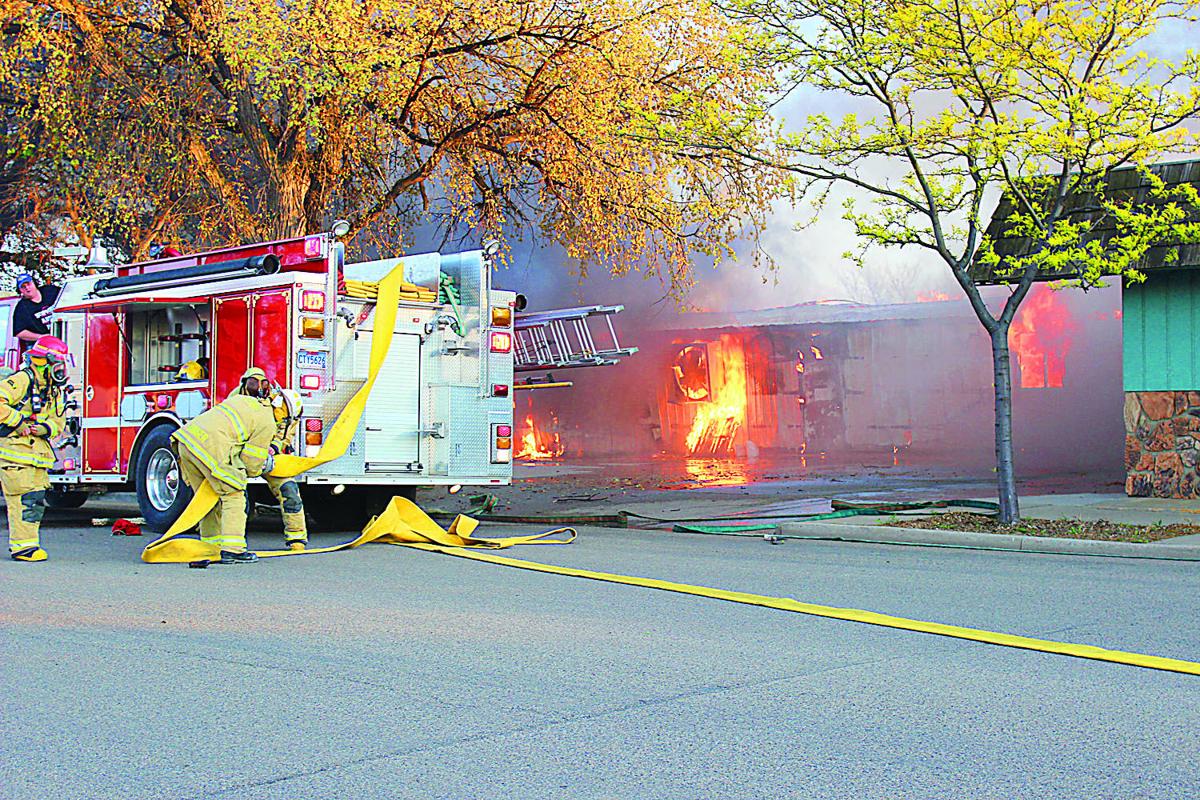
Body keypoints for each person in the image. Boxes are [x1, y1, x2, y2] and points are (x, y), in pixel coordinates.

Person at [171, 377, 276, 564]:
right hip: (210, 447)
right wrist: (263, 466)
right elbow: (251, 463)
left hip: (186, 442)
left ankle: (210, 546)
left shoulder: (241, 400)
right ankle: (233, 550)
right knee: (234, 494)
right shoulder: (268, 420)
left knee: (208, 497)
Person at [1, 336, 69, 561]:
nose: (61, 369)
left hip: (36, 455)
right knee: (23, 500)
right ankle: (23, 548)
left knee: (34, 501)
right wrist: (18, 421)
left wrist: (43, 428)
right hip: (15, 453)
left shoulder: (53, 390)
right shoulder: (21, 380)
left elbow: (58, 422)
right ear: (45, 361)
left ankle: (28, 545)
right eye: (58, 363)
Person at [229, 370, 308, 550]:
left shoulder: (288, 413)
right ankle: (227, 541)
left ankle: (297, 539)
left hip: (267, 456)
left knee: (289, 490)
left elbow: (285, 436)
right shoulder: (241, 400)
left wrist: (273, 448)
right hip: (239, 455)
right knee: (233, 494)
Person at [12, 274, 62, 346]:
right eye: (23, 287)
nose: (27, 288)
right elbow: (19, 332)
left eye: (28, 284)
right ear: (20, 290)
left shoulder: (51, 290)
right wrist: (42, 337)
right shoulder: (21, 308)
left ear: (34, 283)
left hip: (65, 333)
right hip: (42, 345)